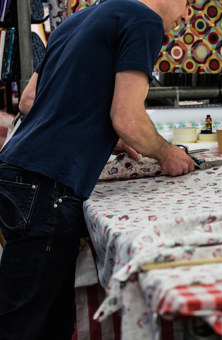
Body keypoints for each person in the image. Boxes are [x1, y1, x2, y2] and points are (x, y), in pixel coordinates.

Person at [0, 0, 195, 338]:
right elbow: (128, 118)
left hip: (16, 172)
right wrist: (167, 154)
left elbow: (29, 101)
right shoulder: (144, 20)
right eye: (189, 3)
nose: (187, 14)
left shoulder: (76, 21)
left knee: (52, 322)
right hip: (47, 186)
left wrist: (104, 137)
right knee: (18, 327)